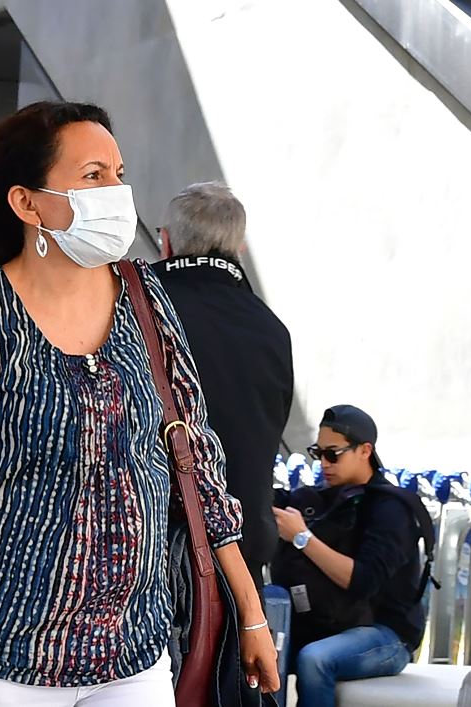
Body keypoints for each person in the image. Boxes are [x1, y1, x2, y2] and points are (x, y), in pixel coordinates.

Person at [0, 101, 278, 707]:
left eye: (119, 172)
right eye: (92, 175)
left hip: (132, 661)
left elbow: (200, 465)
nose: (116, 190)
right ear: (27, 203)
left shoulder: (147, 301)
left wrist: (251, 613)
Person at [154, 182, 294, 590]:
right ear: (240, 248)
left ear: (166, 242)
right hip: (242, 564)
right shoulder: (272, 330)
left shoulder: (136, 306)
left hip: (151, 558)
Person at [273, 405, 426, 707]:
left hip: (387, 635)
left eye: (333, 454)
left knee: (315, 660)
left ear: (364, 450)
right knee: (254, 649)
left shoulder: (391, 509)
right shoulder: (322, 498)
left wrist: (302, 537)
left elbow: (363, 581)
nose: (324, 464)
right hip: (329, 624)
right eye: (318, 454)